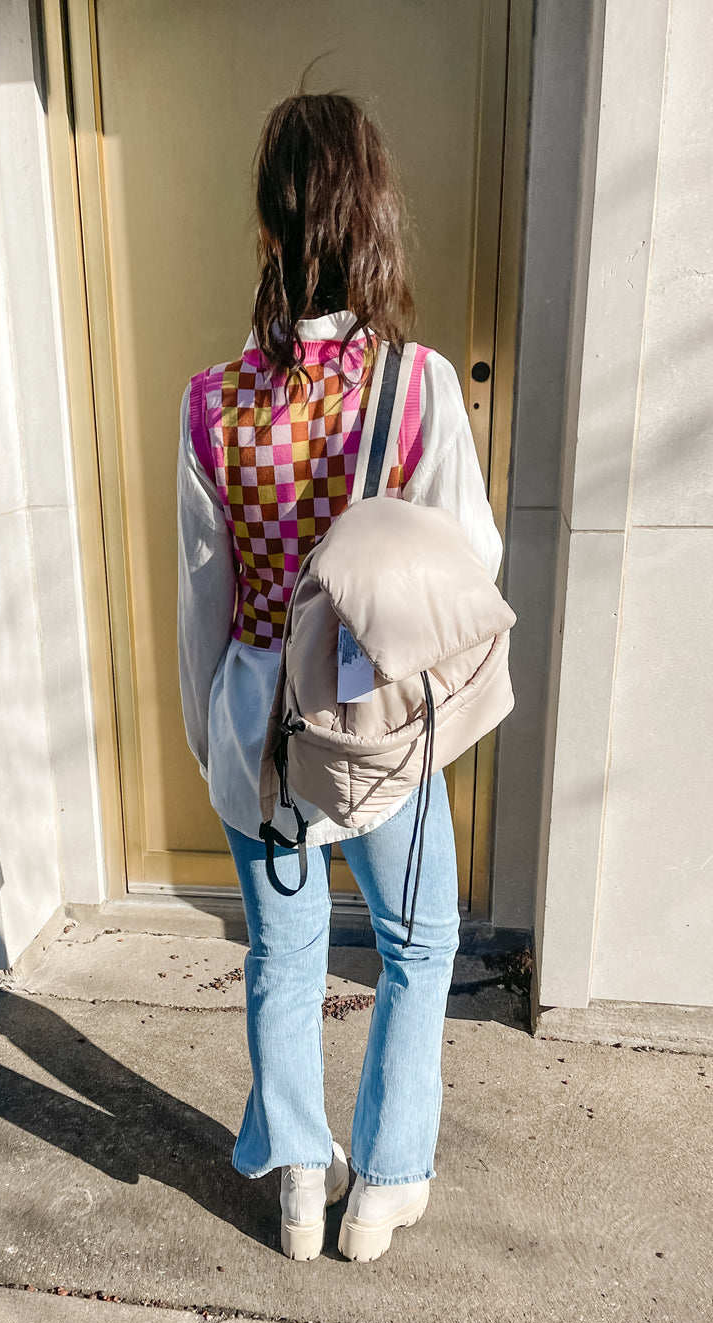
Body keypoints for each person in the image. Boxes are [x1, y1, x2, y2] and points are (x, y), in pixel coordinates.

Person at [176, 93, 503, 1264]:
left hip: (257, 723)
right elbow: (473, 561)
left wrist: (212, 733)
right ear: (375, 221)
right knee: (418, 942)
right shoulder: (416, 388)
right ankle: (387, 1185)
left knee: (285, 949)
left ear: (269, 231)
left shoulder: (213, 404)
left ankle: (300, 1183)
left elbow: (203, 597)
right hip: (375, 721)